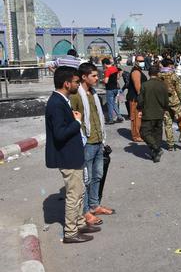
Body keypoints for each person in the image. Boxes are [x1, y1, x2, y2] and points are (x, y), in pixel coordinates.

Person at [45, 66, 100, 243]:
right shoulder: (55, 103)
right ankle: (70, 233)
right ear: (66, 83)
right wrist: (76, 122)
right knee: (73, 195)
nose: (78, 84)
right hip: (67, 156)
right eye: (76, 82)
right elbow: (60, 133)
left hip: (74, 155)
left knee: (80, 192)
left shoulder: (63, 100)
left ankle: (79, 222)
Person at [70, 62, 115, 227]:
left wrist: (103, 138)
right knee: (86, 180)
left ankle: (95, 205)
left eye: (97, 75)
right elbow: (71, 117)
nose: (98, 78)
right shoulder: (76, 95)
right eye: (94, 76)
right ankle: (86, 211)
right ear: (84, 77)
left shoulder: (94, 93)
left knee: (97, 175)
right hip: (86, 142)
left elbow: (98, 116)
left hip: (98, 140)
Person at [158, 59, 181, 152]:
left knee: (167, 124)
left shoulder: (158, 76)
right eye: (172, 65)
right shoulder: (174, 76)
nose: (173, 66)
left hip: (164, 103)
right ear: (169, 65)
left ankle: (170, 145)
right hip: (176, 103)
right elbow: (180, 92)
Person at [138, 65, 170, 163]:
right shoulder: (163, 85)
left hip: (148, 113)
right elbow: (166, 100)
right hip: (160, 112)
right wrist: (165, 108)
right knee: (157, 133)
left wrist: (139, 109)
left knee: (144, 132)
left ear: (149, 73)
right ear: (158, 73)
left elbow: (140, 100)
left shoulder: (145, 85)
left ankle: (156, 149)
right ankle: (156, 153)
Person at [127, 55, 147, 142]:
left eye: (143, 60)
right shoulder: (135, 72)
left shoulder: (138, 70)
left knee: (139, 117)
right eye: (140, 61)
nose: (142, 62)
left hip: (138, 98)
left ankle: (139, 134)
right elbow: (138, 87)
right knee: (136, 118)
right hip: (135, 98)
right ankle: (136, 136)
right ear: (136, 61)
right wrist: (142, 98)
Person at [102, 58, 123, 124]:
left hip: (110, 89)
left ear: (105, 64)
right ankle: (119, 116)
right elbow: (117, 77)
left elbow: (106, 81)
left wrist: (102, 80)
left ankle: (111, 120)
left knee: (110, 104)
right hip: (115, 88)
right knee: (114, 103)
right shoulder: (115, 68)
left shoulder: (107, 70)